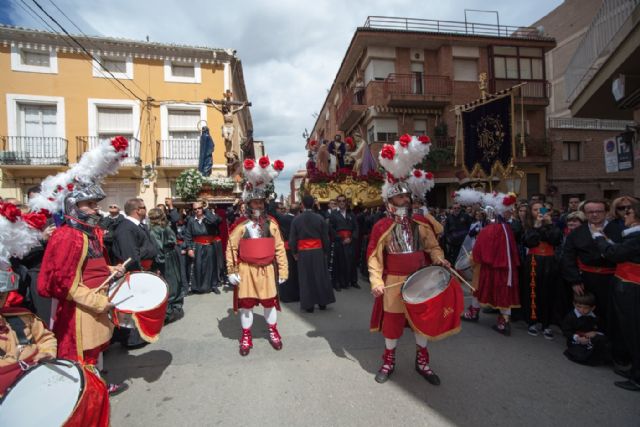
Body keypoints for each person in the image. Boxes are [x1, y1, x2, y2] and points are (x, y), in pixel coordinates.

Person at [38, 182, 128, 395]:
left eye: (96, 204)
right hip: (79, 309)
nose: (96, 208)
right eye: (89, 204)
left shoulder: (87, 234)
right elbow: (64, 282)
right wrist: (98, 302)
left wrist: (110, 269)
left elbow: (88, 266)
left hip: (94, 303)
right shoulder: (68, 235)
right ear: (73, 206)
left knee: (93, 352)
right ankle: (86, 394)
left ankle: (95, 387)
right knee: (81, 355)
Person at [368, 183, 451, 385]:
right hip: (394, 282)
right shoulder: (381, 226)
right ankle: (388, 361)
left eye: (407, 196)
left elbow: (433, 247)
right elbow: (375, 258)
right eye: (400, 197)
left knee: (421, 321)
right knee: (392, 323)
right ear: (390, 201)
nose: (406, 200)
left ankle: (422, 362)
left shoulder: (421, 223)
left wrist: (439, 259)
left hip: (421, 279)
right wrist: (376, 281)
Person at [226, 157, 288, 356]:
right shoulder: (240, 226)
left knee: (270, 303)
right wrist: (231, 270)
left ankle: (273, 331)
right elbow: (231, 249)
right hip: (246, 270)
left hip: (268, 270)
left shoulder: (272, 223)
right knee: (247, 306)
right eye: (255, 201)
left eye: (261, 202)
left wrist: (283, 270)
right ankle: (246, 335)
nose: (258, 205)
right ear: (248, 203)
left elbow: (279, 247)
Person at [592, 199, 640, 391]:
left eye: (628, 212)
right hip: (625, 284)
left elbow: (614, 254)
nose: (624, 215)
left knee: (634, 331)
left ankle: (638, 376)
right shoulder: (631, 236)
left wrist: (599, 238)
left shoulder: (637, 237)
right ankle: (634, 369)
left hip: (632, 288)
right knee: (627, 330)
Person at [460, 191, 521, 335]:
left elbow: (478, 252)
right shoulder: (507, 228)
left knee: (478, 288)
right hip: (506, 268)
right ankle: (504, 320)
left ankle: (474, 312)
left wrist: (470, 260)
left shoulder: (490, 229)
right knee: (504, 291)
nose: (511, 213)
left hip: (489, 267)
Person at [562, 200, 624, 335]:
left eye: (599, 211)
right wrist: (574, 280)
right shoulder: (576, 233)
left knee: (613, 312)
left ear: (606, 212)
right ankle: (589, 341)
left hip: (613, 278)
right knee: (589, 312)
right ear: (585, 213)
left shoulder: (620, 230)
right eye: (590, 212)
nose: (595, 214)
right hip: (587, 279)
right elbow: (568, 258)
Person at [0, 272, 57, 397]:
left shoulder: (23, 317)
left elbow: (45, 338)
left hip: (39, 385)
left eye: (0, 296)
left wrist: (47, 353)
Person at [111, 197, 158, 348]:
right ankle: (131, 339)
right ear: (138, 210)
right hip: (134, 273)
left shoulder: (137, 226)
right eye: (144, 207)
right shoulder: (126, 228)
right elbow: (130, 255)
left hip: (144, 269)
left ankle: (140, 335)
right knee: (132, 307)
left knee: (140, 306)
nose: (146, 210)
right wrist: (140, 273)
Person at [522, 202, 563, 339]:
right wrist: (536, 226)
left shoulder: (552, 225)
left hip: (550, 260)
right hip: (534, 260)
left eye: (541, 209)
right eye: (535, 209)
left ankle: (547, 323)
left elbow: (556, 240)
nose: (539, 212)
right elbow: (529, 242)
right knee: (533, 292)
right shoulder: (528, 225)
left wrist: (549, 223)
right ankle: (532, 322)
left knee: (549, 292)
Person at [289, 195, 335, 312]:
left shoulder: (296, 219)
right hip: (318, 251)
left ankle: (309, 305)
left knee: (306, 278)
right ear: (313, 204)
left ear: (302, 205)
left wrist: (294, 252)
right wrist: (325, 251)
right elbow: (325, 237)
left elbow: (292, 239)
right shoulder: (319, 218)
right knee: (321, 276)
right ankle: (322, 302)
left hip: (303, 252)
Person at [148, 208, 184, 323]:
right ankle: (176, 307)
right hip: (173, 256)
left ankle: (169, 312)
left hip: (166, 258)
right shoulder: (166, 226)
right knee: (175, 281)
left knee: (167, 283)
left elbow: (158, 248)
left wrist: (159, 264)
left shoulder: (154, 230)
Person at [184, 201, 223, 294]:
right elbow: (188, 235)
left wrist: (206, 210)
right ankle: (196, 287)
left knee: (212, 266)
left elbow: (216, 220)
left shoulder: (210, 218)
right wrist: (189, 248)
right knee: (198, 267)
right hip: (197, 246)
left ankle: (213, 286)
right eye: (195, 209)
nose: (197, 210)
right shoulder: (191, 220)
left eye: (199, 208)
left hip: (210, 246)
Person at [562, 292, 609, 366]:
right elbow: (566, 331)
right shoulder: (571, 317)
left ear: (592, 308)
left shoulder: (595, 317)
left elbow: (602, 329)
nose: (582, 310)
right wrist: (578, 338)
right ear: (574, 304)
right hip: (576, 340)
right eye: (579, 306)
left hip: (590, 339)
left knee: (602, 341)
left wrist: (595, 333)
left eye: (586, 308)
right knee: (580, 353)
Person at [329, 194, 360, 289]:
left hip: (350, 241)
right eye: (340, 201)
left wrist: (351, 238)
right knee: (339, 263)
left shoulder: (351, 214)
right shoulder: (333, 214)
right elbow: (331, 229)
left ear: (346, 202)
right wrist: (341, 238)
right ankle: (337, 283)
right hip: (340, 242)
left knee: (352, 262)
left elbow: (356, 228)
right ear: (337, 202)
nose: (342, 203)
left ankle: (353, 281)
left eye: (343, 201)